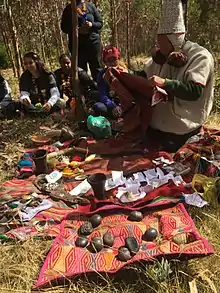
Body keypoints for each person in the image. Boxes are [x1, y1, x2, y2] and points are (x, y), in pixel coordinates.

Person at [142, 0, 214, 152]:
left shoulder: (200, 56)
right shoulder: (160, 57)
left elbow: (194, 91)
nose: (158, 46)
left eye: (162, 42)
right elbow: (144, 76)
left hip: (182, 129)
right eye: (158, 42)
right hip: (156, 127)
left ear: (174, 40)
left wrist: (164, 83)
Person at [61, 0, 103, 81]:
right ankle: (86, 90)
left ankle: (100, 89)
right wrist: (75, 28)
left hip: (93, 43)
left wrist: (91, 25)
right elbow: (63, 28)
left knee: (97, 68)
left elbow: (100, 23)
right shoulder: (68, 9)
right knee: (81, 70)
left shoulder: (91, 6)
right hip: (77, 45)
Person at [93, 45, 127, 118]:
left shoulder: (126, 72)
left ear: (119, 58)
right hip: (111, 102)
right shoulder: (102, 74)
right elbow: (103, 94)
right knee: (98, 107)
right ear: (105, 62)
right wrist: (113, 106)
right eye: (109, 60)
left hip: (126, 103)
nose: (112, 63)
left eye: (114, 59)